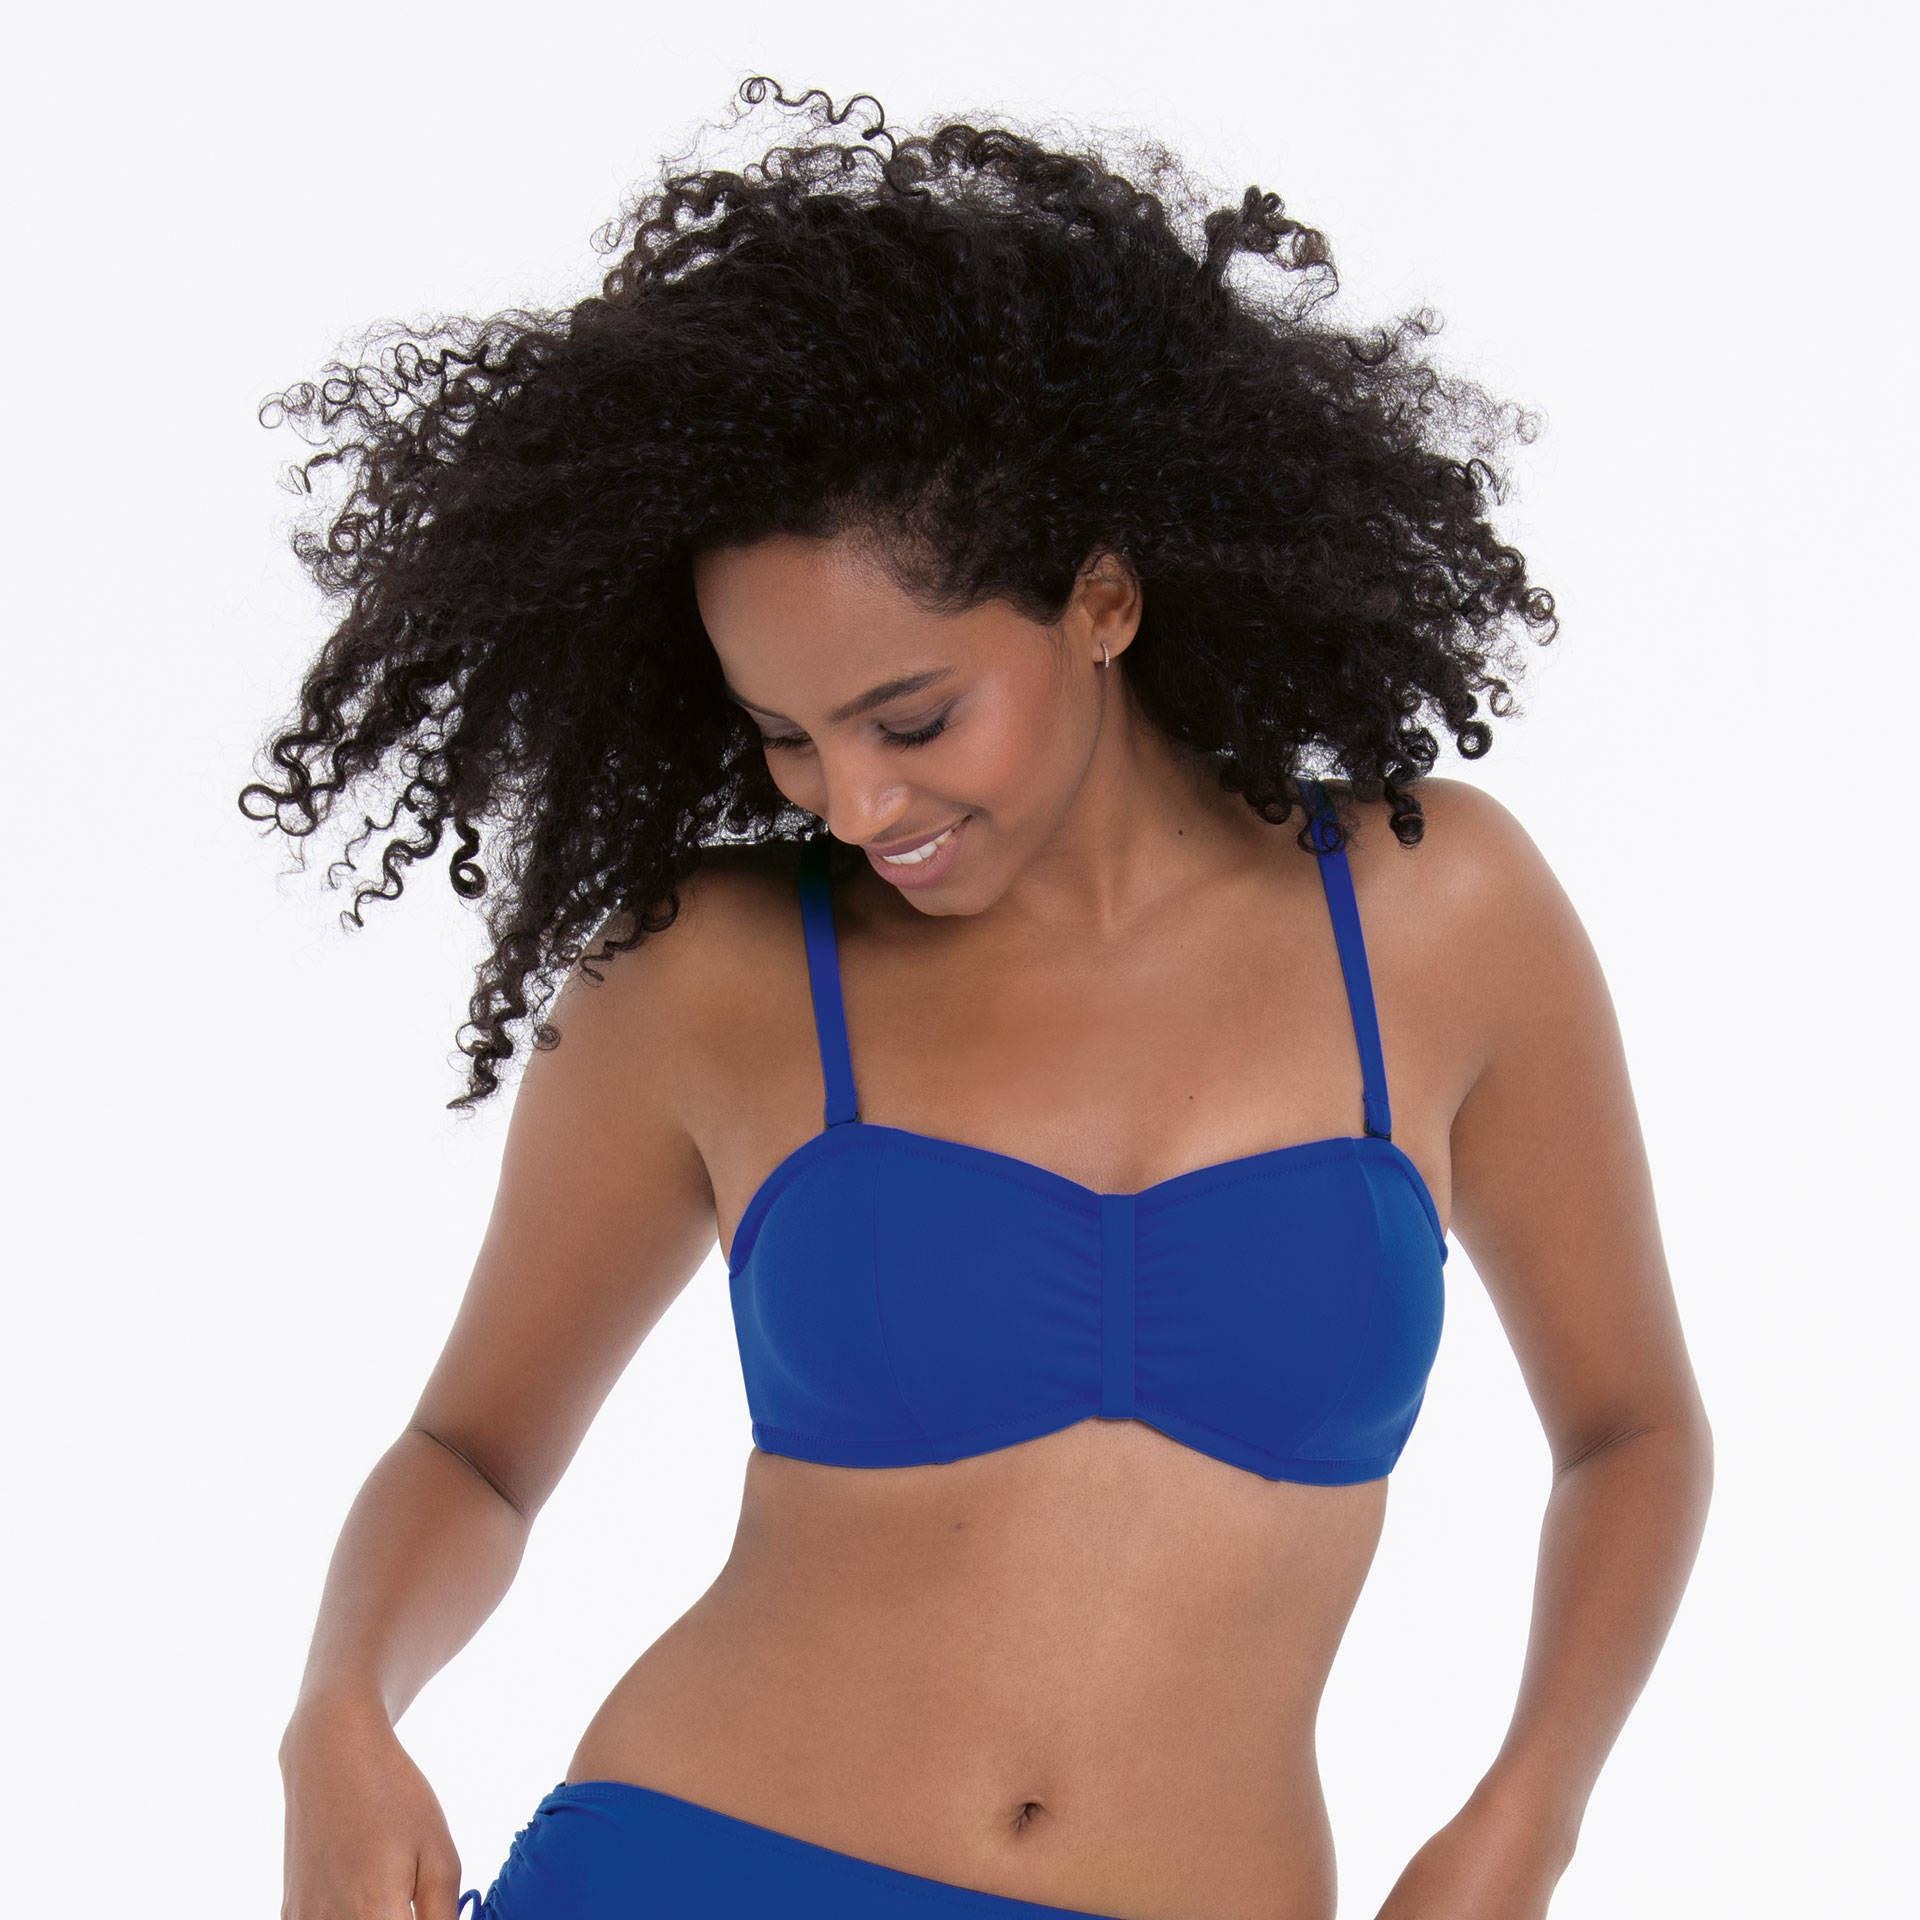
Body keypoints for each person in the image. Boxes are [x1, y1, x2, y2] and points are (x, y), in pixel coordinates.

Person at [253, 77, 1713, 1920]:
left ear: (1100, 597)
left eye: (914, 716)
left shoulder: (1438, 916)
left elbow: (1632, 1433)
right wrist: (339, 1715)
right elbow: (473, 1453)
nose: (858, 805)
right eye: (786, 736)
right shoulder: (709, 974)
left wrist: (1525, 1820)